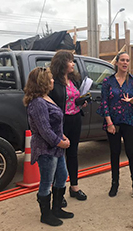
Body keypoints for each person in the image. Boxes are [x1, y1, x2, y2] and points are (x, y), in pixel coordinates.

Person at [23, 67, 74, 227]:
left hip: (56, 148)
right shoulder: (38, 103)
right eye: (50, 78)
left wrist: (62, 136)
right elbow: (44, 130)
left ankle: (57, 208)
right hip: (46, 150)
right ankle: (46, 215)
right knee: (46, 181)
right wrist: (61, 142)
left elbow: (54, 125)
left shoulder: (46, 98)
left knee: (61, 177)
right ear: (42, 82)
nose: (53, 80)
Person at [96, 52, 133, 199]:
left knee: (131, 153)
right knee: (115, 153)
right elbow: (104, 103)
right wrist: (109, 123)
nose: (125, 63)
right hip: (113, 123)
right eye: (122, 60)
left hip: (130, 122)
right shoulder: (108, 82)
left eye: (127, 60)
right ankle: (114, 184)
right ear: (116, 63)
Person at [49, 50, 87, 207]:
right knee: (58, 156)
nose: (73, 64)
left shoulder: (74, 80)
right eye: (70, 61)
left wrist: (82, 102)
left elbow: (74, 99)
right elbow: (49, 105)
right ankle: (58, 191)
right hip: (60, 122)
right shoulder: (53, 83)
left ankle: (74, 187)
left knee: (73, 154)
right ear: (62, 63)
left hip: (75, 119)